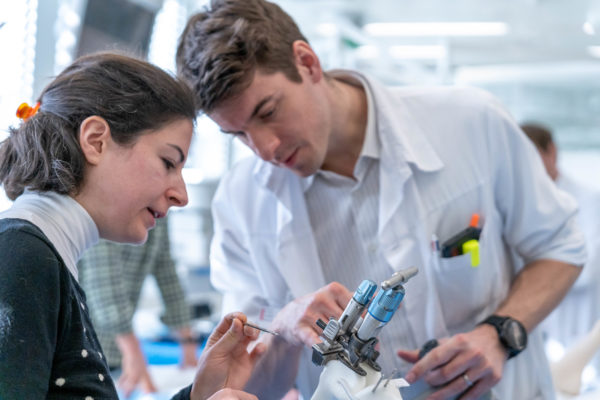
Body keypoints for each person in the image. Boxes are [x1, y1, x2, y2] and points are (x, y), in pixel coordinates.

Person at [176, 1, 587, 399]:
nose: (264, 148)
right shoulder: (241, 202)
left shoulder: (471, 123)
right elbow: (247, 388)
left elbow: (561, 246)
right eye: (239, 134)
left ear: (307, 62)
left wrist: (499, 333)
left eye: (268, 112)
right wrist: (284, 329)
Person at [0, 52, 263, 400]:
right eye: (168, 162)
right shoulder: (23, 257)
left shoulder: (44, 256)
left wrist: (198, 394)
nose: (181, 195)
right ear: (96, 141)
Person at [78, 216, 198, 397]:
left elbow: (166, 269)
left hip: (117, 349)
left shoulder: (159, 213)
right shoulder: (110, 207)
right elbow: (103, 283)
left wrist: (187, 341)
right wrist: (132, 353)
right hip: (89, 342)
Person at [521, 123, 600, 358]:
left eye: (533, 156)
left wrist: (535, 270)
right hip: (540, 333)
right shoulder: (523, 206)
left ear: (552, 152)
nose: (527, 166)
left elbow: (586, 270)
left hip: (580, 326)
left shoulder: (590, 201)